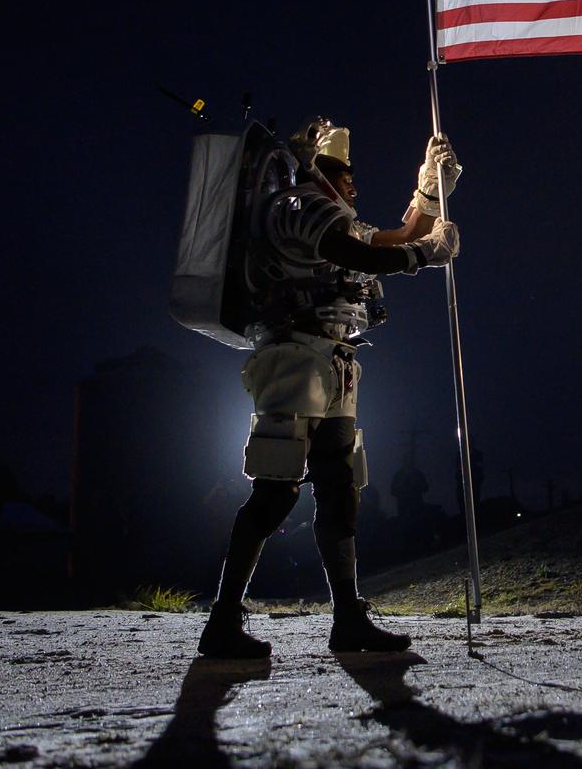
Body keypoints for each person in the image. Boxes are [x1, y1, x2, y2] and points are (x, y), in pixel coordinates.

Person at [197, 117, 461, 658]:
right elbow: (364, 254)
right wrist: (422, 256)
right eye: (345, 174)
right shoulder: (297, 206)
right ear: (321, 170)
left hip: (333, 358)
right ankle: (223, 619)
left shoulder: (329, 214)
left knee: (341, 488)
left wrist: (428, 190)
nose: (353, 185)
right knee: (276, 492)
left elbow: (394, 235)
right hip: (293, 355)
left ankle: (348, 618)